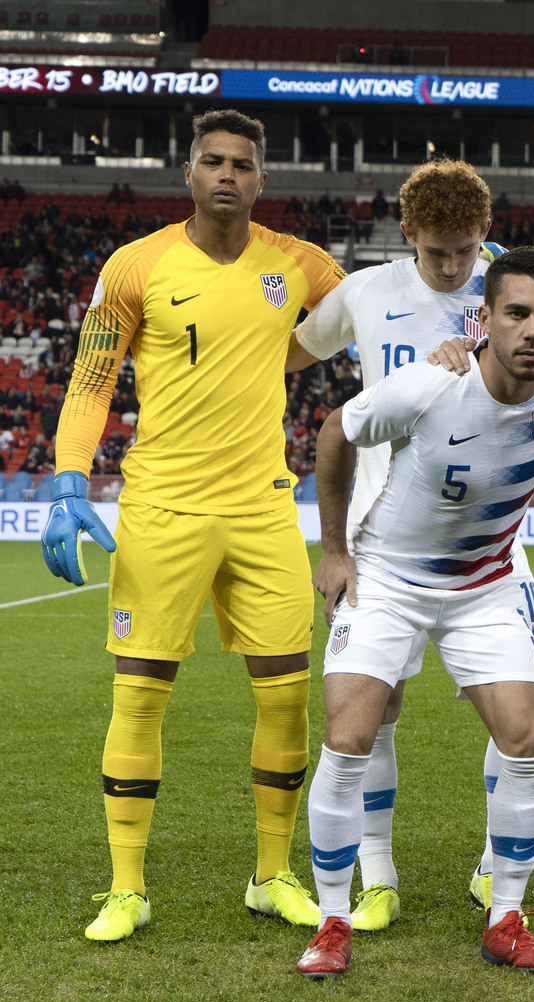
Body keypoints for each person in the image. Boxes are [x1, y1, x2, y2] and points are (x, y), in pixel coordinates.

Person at [43, 109, 347, 941]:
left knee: (287, 699)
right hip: (162, 509)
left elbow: (388, 307)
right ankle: (127, 888)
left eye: (241, 164)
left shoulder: (301, 265)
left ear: (261, 179)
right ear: (187, 171)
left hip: (261, 509)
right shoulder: (136, 265)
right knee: (139, 698)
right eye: (211, 160)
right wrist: (71, 471)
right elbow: (93, 375)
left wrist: (472, 279)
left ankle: (271, 875)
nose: (226, 175)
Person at [295, 247, 534, 978]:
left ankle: (505, 917)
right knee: (349, 738)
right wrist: (335, 550)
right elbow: (333, 435)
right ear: (486, 320)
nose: (532, 330)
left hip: (484, 585)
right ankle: (332, 920)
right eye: (516, 314)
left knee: (528, 737)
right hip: (387, 578)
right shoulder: (429, 385)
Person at [286, 159, 520, 930]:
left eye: (466, 250)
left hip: (491, 530)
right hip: (379, 530)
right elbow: (289, 354)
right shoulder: (366, 291)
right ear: (406, 231)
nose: (454, 268)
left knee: (515, 713)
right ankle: (378, 870)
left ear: (484, 234)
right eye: (436, 252)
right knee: (375, 707)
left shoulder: (512, 292)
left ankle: (496, 865)